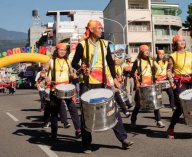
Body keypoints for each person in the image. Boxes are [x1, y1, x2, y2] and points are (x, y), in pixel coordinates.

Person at [71, 20, 133, 153]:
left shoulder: (105, 44)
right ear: (92, 29)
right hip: (87, 83)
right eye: (99, 28)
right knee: (86, 114)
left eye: (101, 28)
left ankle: (123, 139)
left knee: (113, 110)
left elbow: (110, 63)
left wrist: (115, 79)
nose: (101, 30)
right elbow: (74, 62)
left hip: (103, 82)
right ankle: (86, 144)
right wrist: (82, 69)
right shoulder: (82, 45)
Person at [43, 43, 81, 139]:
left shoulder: (68, 61)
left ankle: (78, 130)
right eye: (61, 50)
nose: (62, 52)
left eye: (64, 50)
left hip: (66, 88)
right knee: (54, 111)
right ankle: (54, 132)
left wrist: (75, 75)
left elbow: (71, 73)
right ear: (57, 50)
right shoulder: (51, 61)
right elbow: (44, 70)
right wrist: (45, 76)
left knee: (73, 109)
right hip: (54, 88)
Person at [130, 45, 165, 128]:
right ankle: (133, 120)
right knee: (138, 104)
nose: (147, 52)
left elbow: (159, 70)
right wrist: (135, 76)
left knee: (155, 102)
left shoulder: (152, 61)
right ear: (141, 52)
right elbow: (132, 72)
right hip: (141, 85)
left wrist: (156, 76)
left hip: (150, 83)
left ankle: (158, 120)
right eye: (145, 50)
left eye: (148, 50)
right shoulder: (137, 61)